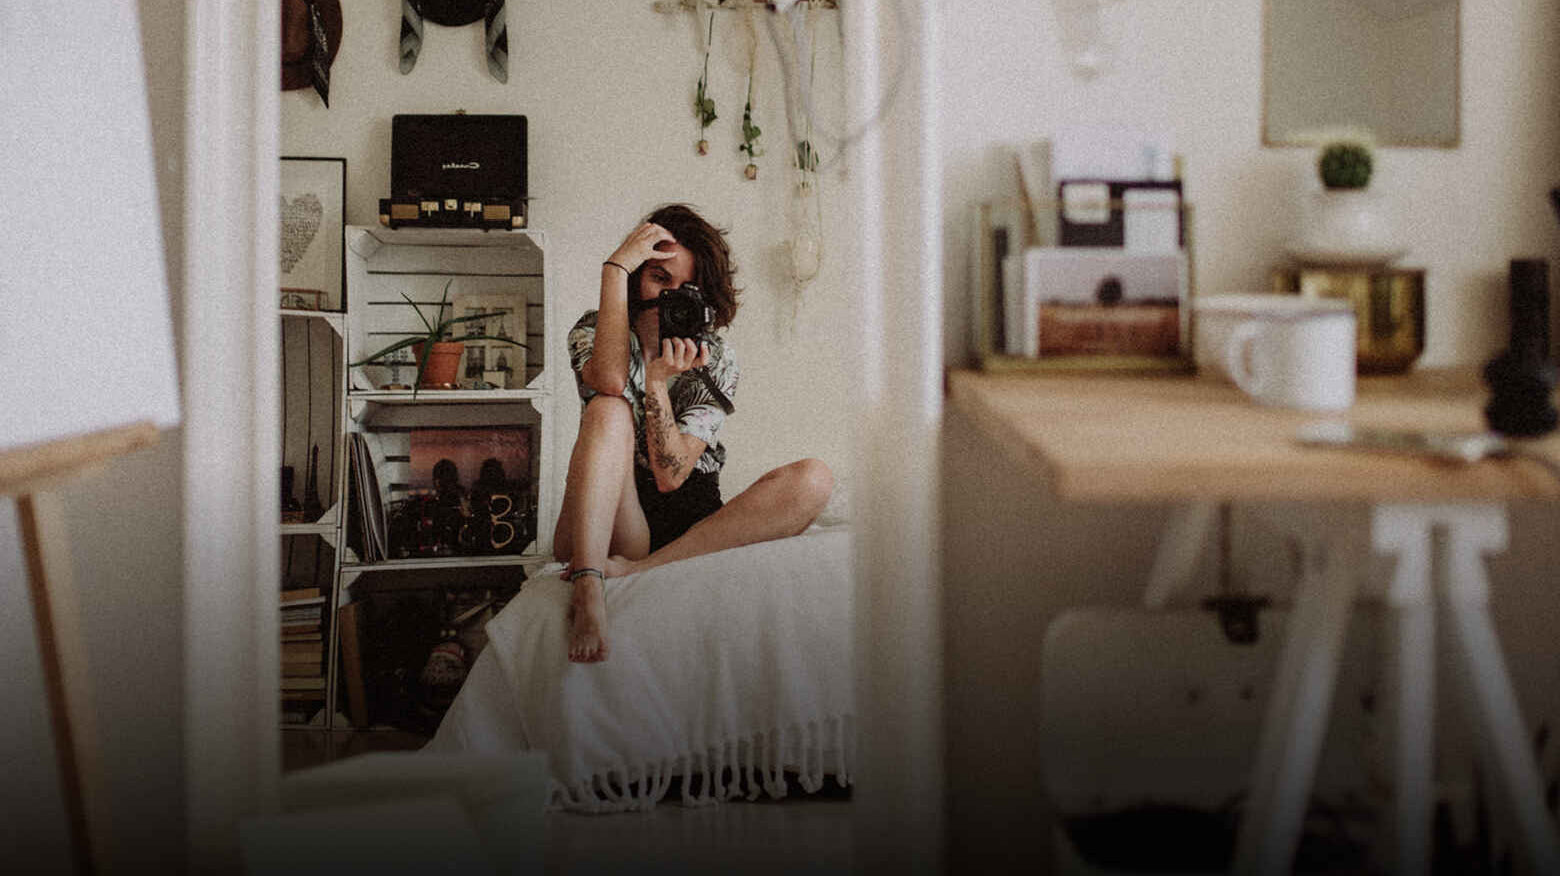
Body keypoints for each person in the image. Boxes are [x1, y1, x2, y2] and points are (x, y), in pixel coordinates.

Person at [554, 204, 835, 663]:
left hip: (690, 520)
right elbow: (607, 381)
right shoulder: (596, 329)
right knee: (608, 408)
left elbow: (672, 475)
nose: (670, 298)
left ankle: (642, 572)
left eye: (687, 289)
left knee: (816, 478)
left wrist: (659, 383)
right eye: (659, 279)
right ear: (636, 277)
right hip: (611, 513)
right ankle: (588, 584)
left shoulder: (717, 356)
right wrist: (613, 269)